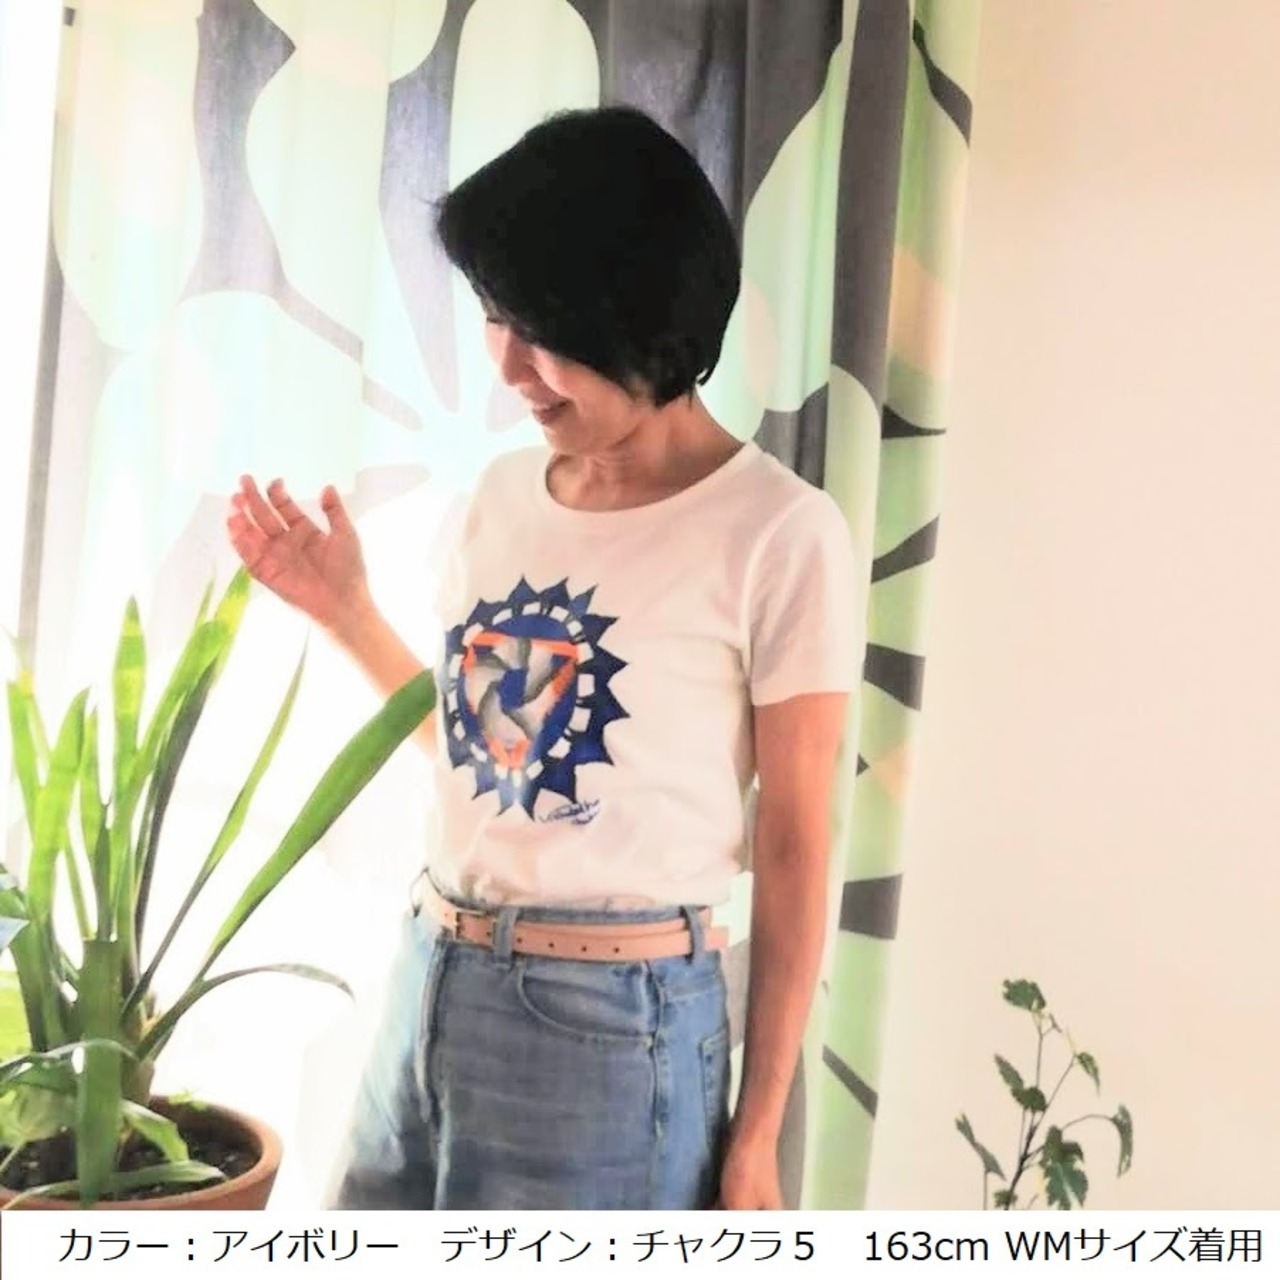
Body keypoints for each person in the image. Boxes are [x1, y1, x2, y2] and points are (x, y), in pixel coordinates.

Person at [226, 105, 860, 1211]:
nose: (511, 367)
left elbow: (798, 844)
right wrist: (347, 611)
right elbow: (488, 754)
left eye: (543, 330)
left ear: (642, 317)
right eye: (493, 319)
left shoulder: (779, 532)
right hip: (432, 978)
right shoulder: (502, 496)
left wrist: (757, 1132)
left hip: (611, 1031)